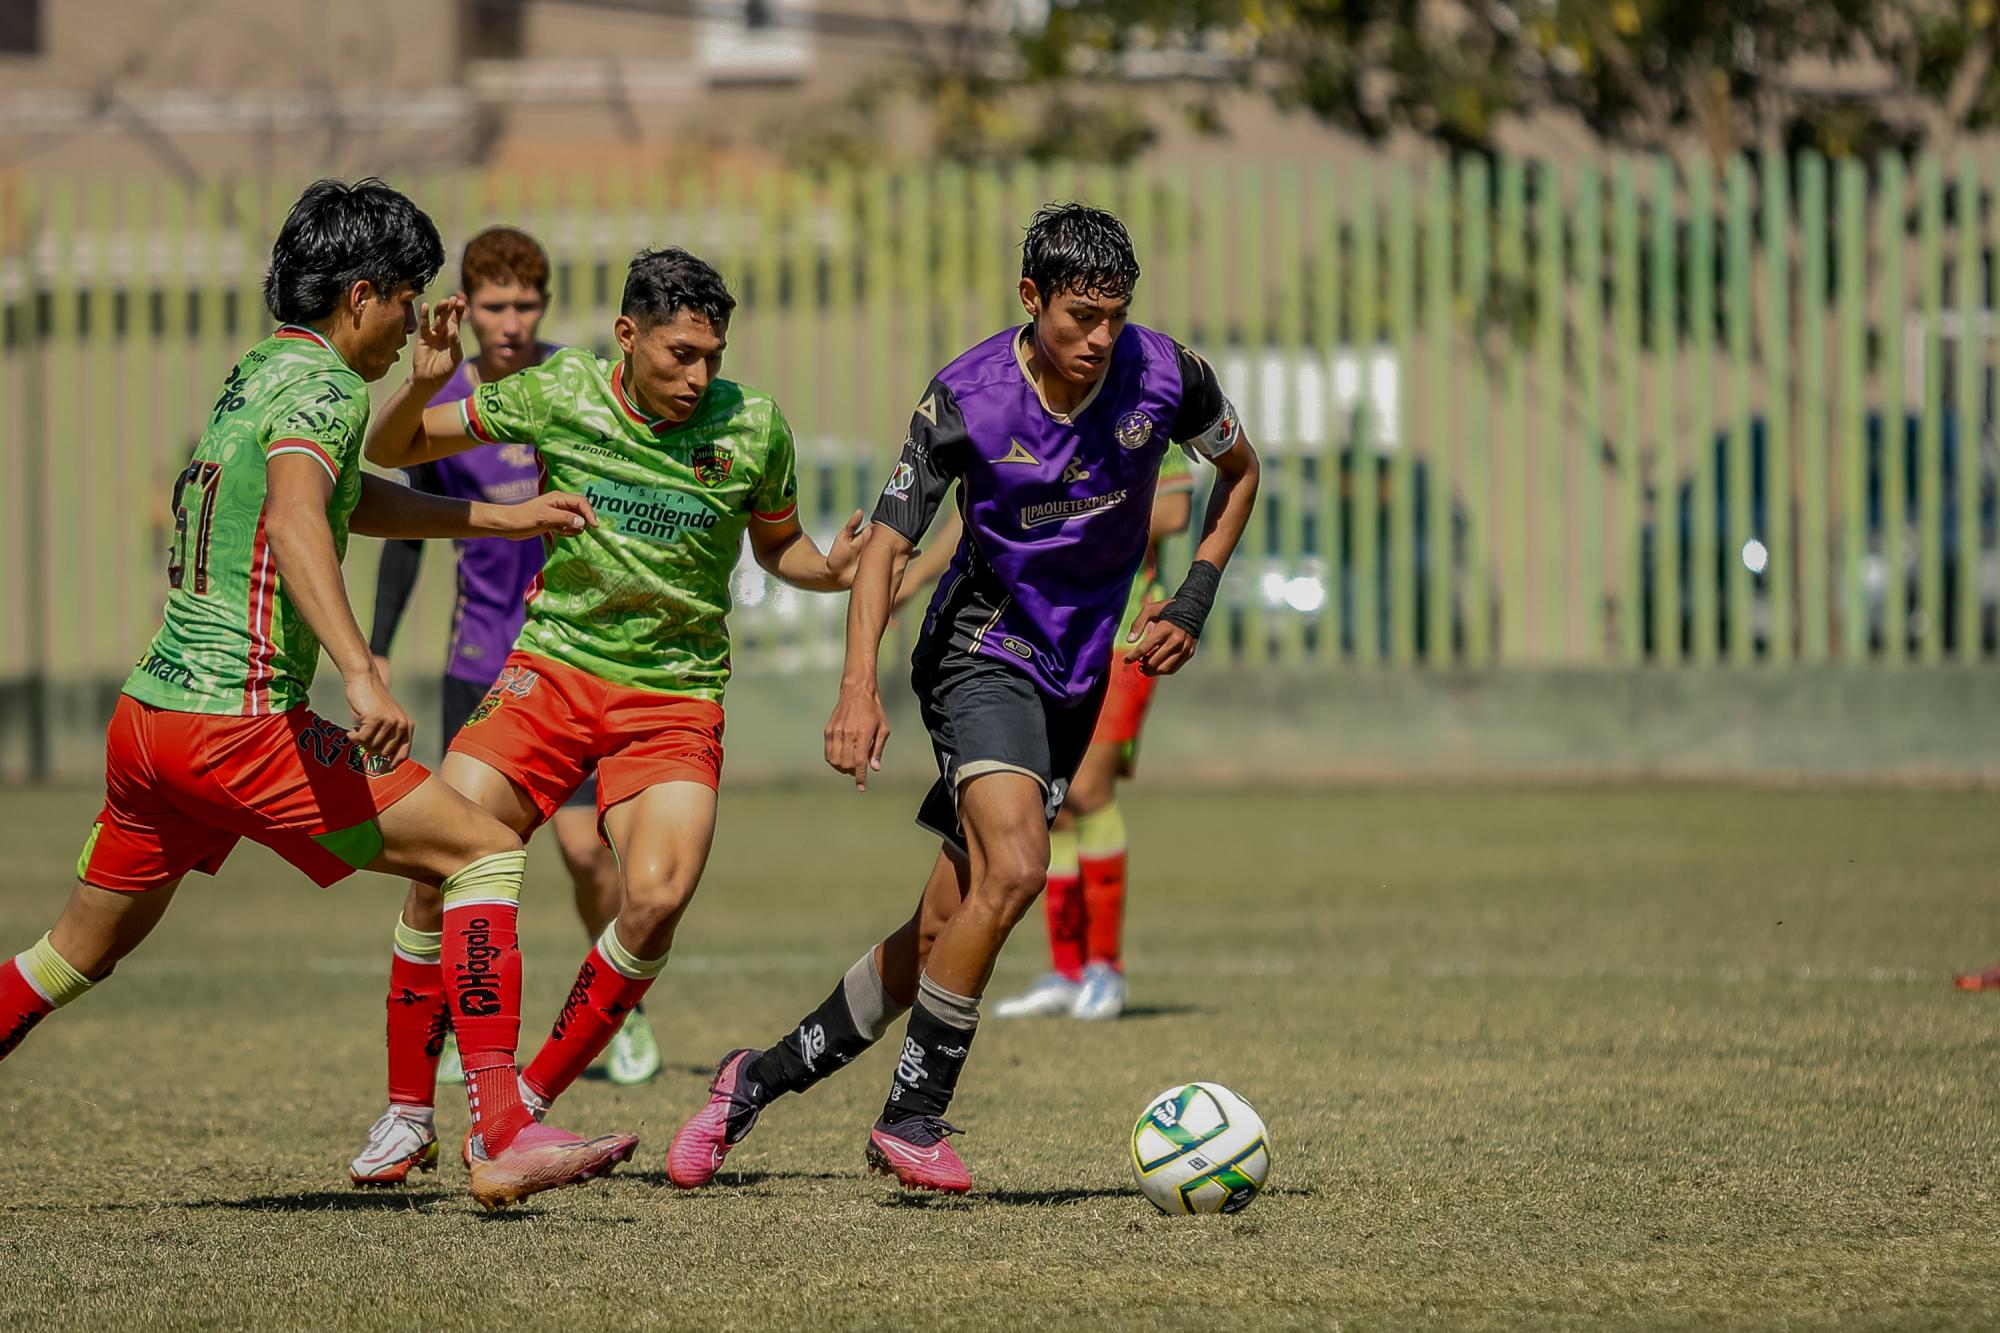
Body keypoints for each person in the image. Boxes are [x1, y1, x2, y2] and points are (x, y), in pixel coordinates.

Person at [0, 179, 636, 1211]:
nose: (413, 323)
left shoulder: (262, 372)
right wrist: (360, 665)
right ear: (362, 295)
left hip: (151, 722)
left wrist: (499, 517)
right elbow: (301, 521)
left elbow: (343, 497)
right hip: (239, 726)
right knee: (482, 849)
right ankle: (503, 1131)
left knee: (68, 956)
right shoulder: (328, 390)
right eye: (407, 299)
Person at [665, 202, 1260, 1194]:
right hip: (978, 651)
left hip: (1075, 675)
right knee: (1019, 866)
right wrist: (855, 689)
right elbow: (888, 545)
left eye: (1115, 314)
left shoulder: (1167, 374)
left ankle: (748, 1084)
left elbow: (1239, 472)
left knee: (941, 935)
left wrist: (1193, 597)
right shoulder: (965, 397)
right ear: (1030, 299)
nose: (1099, 338)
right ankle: (912, 1115)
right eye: (1079, 316)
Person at [357, 245, 867, 1175]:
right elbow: (391, 451)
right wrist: (420, 387)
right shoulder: (561, 394)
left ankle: (520, 1111)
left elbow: (780, 546)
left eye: (712, 355)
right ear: (627, 336)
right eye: (679, 354)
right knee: (440, 860)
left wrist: (836, 569)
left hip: (673, 698)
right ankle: (404, 1111)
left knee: (657, 899)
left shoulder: (754, 426)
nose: (699, 375)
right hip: (550, 675)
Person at [354, 229, 652, 1190]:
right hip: (477, 667)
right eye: (495, 306)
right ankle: (413, 1106)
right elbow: (402, 525)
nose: (512, 321)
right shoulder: (448, 406)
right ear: (469, 310)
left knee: (580, 852)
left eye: (528, 304)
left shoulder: (579, 390)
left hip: (574, 668)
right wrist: (383, 641)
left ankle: (619, 1013)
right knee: (439, 870)